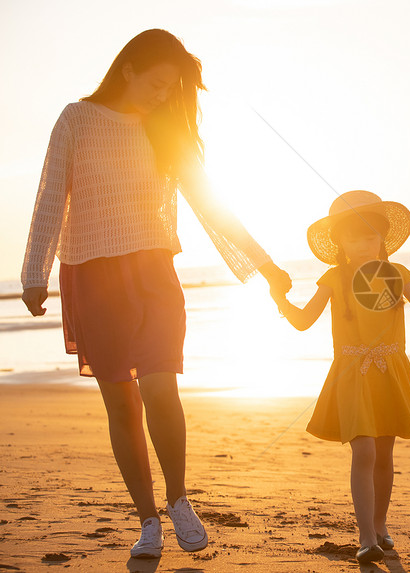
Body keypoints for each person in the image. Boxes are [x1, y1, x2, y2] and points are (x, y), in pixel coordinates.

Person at [20, 29, 292, 559]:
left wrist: (266, 264)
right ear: (129, 69)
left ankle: (178, 499)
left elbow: (212, 206)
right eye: (159, 83)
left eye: (173, 88)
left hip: (153, 276)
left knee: (161, 389)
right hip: (92, 279)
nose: (164, 95)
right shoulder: (77, 119)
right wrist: (36, 270)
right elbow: (52, 191)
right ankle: (147, 520)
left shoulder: (166, 131)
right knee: (121, 404)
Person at [276, 190, 410, 563]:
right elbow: (302, 321)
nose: (363, 244)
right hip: (351, 374)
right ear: (341, 243)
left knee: (384, 455)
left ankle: (379, 525)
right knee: (364, 450)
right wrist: (279, 297)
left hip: (389, 372)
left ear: (382, 241)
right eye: (354, 238)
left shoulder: (397, 274)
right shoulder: (333, 278)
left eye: (371, 237)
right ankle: (365, 537)